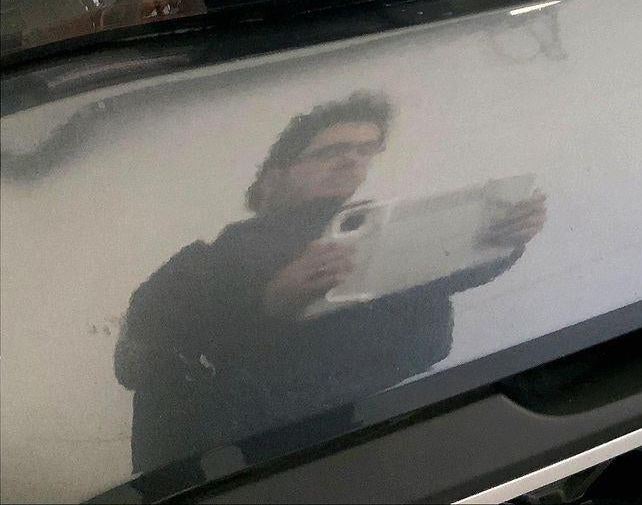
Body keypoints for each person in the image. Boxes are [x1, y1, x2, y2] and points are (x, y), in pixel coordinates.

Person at [113, 92, 546, 475]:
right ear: (275, 173)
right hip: (264, 466)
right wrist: (271, 301)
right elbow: (140, 366)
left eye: (365, 149)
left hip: (401, 430)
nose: (352, 161)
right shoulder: (208, 263)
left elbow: (440, 279)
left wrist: (502, 238)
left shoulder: (378, 230)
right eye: (332, 150)